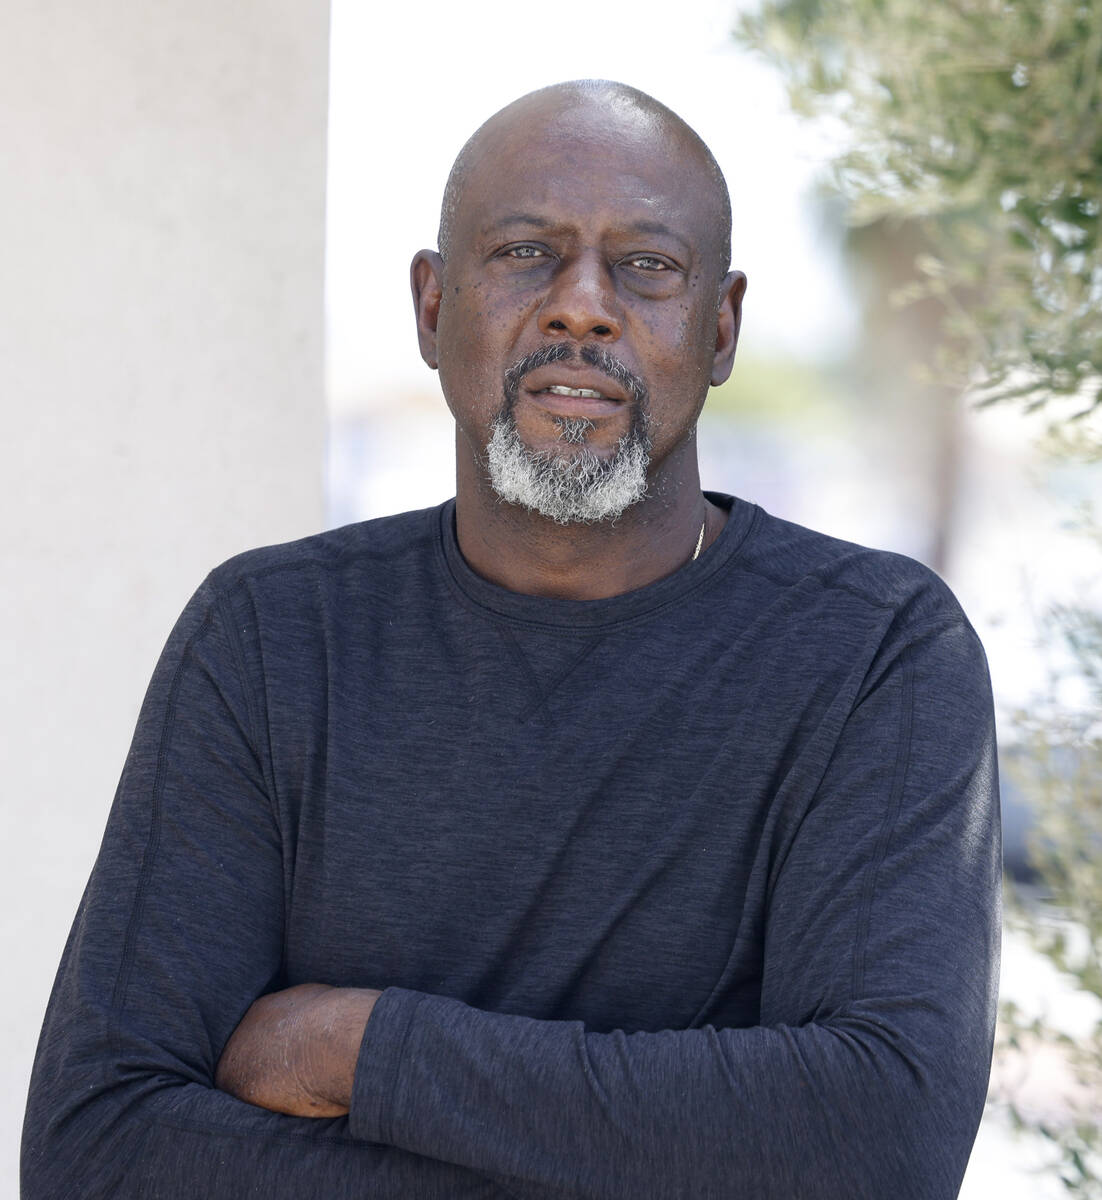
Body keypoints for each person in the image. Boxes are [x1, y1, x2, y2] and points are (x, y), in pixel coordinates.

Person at [22, 80, 1001, 1199]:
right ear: (432, 308)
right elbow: (95, 1152)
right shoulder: (270, 642)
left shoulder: (873, 656)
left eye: (645, 267)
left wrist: (366, 1049)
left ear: (717, 328)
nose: (581, 307)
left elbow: (879, 1141)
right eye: (527, 253)